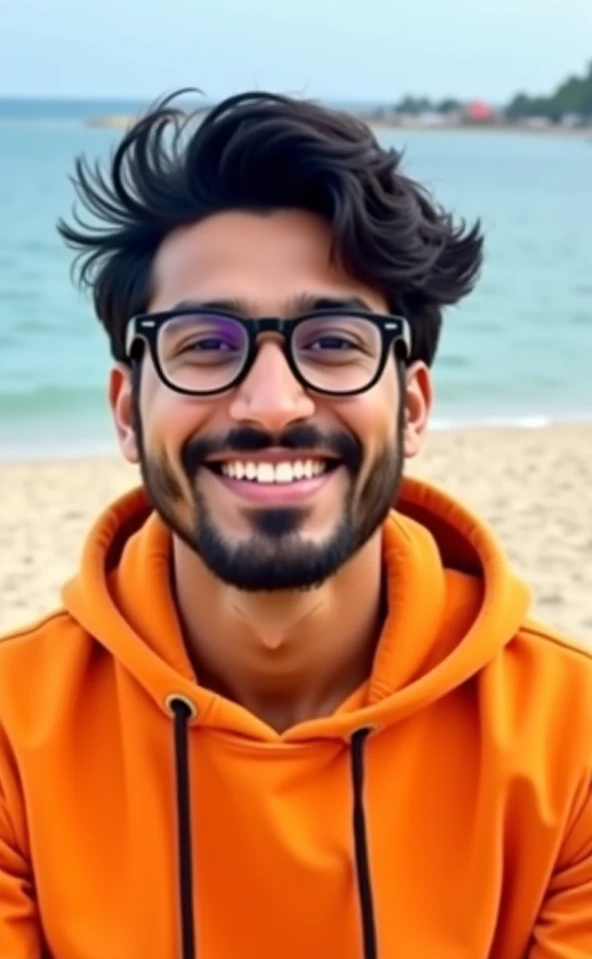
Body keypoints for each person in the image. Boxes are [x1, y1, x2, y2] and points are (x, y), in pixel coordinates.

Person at [0, 92, 590, 959]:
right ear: (127, 412)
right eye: (203, 342)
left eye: (334, 341)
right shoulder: (16, 735)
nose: (272, 404)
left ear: (413, 406)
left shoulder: (569, 739)